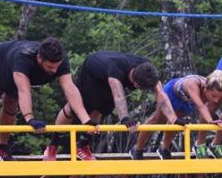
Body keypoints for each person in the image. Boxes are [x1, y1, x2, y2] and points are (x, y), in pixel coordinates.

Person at [0, 37, 95, 161]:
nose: (54, 70)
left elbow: (70, 88)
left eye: (57, 66)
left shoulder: (60, 60)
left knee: (11, 104)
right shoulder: (23, 58)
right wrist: (29, 118)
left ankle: (1, 147)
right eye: (50, 67)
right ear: (39, 58)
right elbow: (23, 90)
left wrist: (86, 120)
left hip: (15, 66)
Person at [43, 51, 176, 161]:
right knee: (74, 108)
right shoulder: (116, 70)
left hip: (112, 77)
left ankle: (82, 146)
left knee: (101, 108)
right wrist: (125, 119)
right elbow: (118, 96)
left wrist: (173, 118)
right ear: (135, 84)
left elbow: (162, 96)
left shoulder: (147, 70)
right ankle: (53, 145)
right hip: (93, 73)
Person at [148, 70, 222, 160]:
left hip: (186, 101)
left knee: (176, 123)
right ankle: (138, 148)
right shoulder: (194, 84)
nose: (216, 100)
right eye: (213, 96)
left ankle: (164, 149)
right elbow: (201, 106)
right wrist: (211, 121)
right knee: (156, 120)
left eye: (218, 97)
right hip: (171, 94)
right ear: (206, 88)